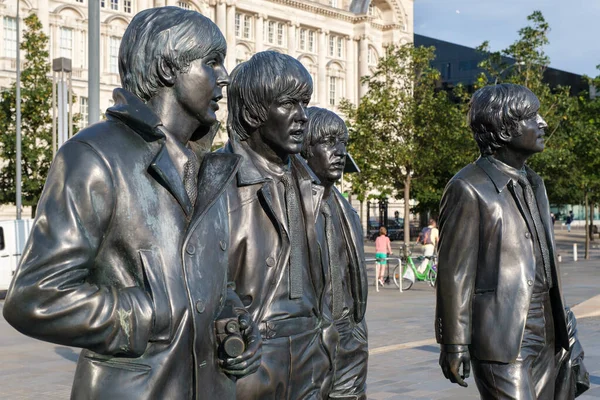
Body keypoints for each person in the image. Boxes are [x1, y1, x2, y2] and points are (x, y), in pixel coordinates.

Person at [2, 7, 260, 399]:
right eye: (212, 62)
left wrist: (234, 320)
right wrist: (148, 314)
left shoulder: (210, 167)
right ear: (169, 67)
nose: (225, 77)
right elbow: (35, 296)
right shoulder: (93, 156)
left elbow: (217, 283)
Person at [436, 83, 577, 399]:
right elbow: (454, 273)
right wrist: (454, 342)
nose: (542, 123)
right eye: (531, 117)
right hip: (503, 332)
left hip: (549, 328)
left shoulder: (535, 183)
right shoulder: (467, 187)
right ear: (503, 129)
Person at [221, 51, 330, 399]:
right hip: (253, 359)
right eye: (288, 104)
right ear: (254, 112)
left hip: (312, 354)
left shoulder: (310, 185)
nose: (303, 117)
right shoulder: (217, 183)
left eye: (305, 104)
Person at [302, 107, 369, 399]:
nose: (340, 151)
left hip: (349, 337)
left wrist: (356, 329)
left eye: (343, 142)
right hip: (310, 338)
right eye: (329, 142)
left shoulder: (347, 211)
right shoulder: (291, 207)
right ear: (305, 148)